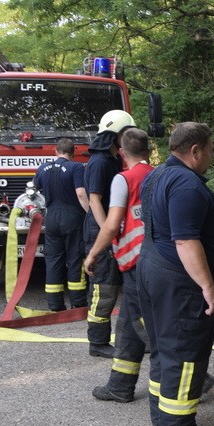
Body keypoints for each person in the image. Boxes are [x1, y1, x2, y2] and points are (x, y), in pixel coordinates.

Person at [137, 122, 214, 426]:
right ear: (195, 151)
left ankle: (161, 416)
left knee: (164, 348)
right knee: (186, 352)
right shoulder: (186, 185)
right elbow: (186, 240)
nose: (211, 155)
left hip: (153, 271)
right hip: (181, 283)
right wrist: (208, 286)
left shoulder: (155, 175)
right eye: (209, 149)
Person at [86, 127, 155, 403]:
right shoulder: (158, 175)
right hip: (154, 259)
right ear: (148, 151)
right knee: (128, 323)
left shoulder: (123, 179)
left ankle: (197, 377)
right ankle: (120, 385)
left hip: (133, 260)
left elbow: (113, 223)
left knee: (147, 325)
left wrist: (93, 253)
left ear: (122, 153)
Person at [83, 109, 133, 358]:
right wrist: (107, 233)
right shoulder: (101, 162)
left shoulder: (113, 160)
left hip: (109, 230)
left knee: (116, 286)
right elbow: (94, 201)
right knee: (104, 289)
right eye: (126, 133)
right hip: (100, 231)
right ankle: (98, 342)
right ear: (115, 135)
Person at [32, 138, 88, 311]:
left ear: (56, 151)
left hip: (52, 219)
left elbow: (36, 188)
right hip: (73, 218)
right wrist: (90, 213)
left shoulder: (43, 168)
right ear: (73, 152)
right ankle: (78, 303)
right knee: (75, 259)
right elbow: (80, 193)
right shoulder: (76, 167)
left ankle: (55, 305)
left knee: (53, 260)